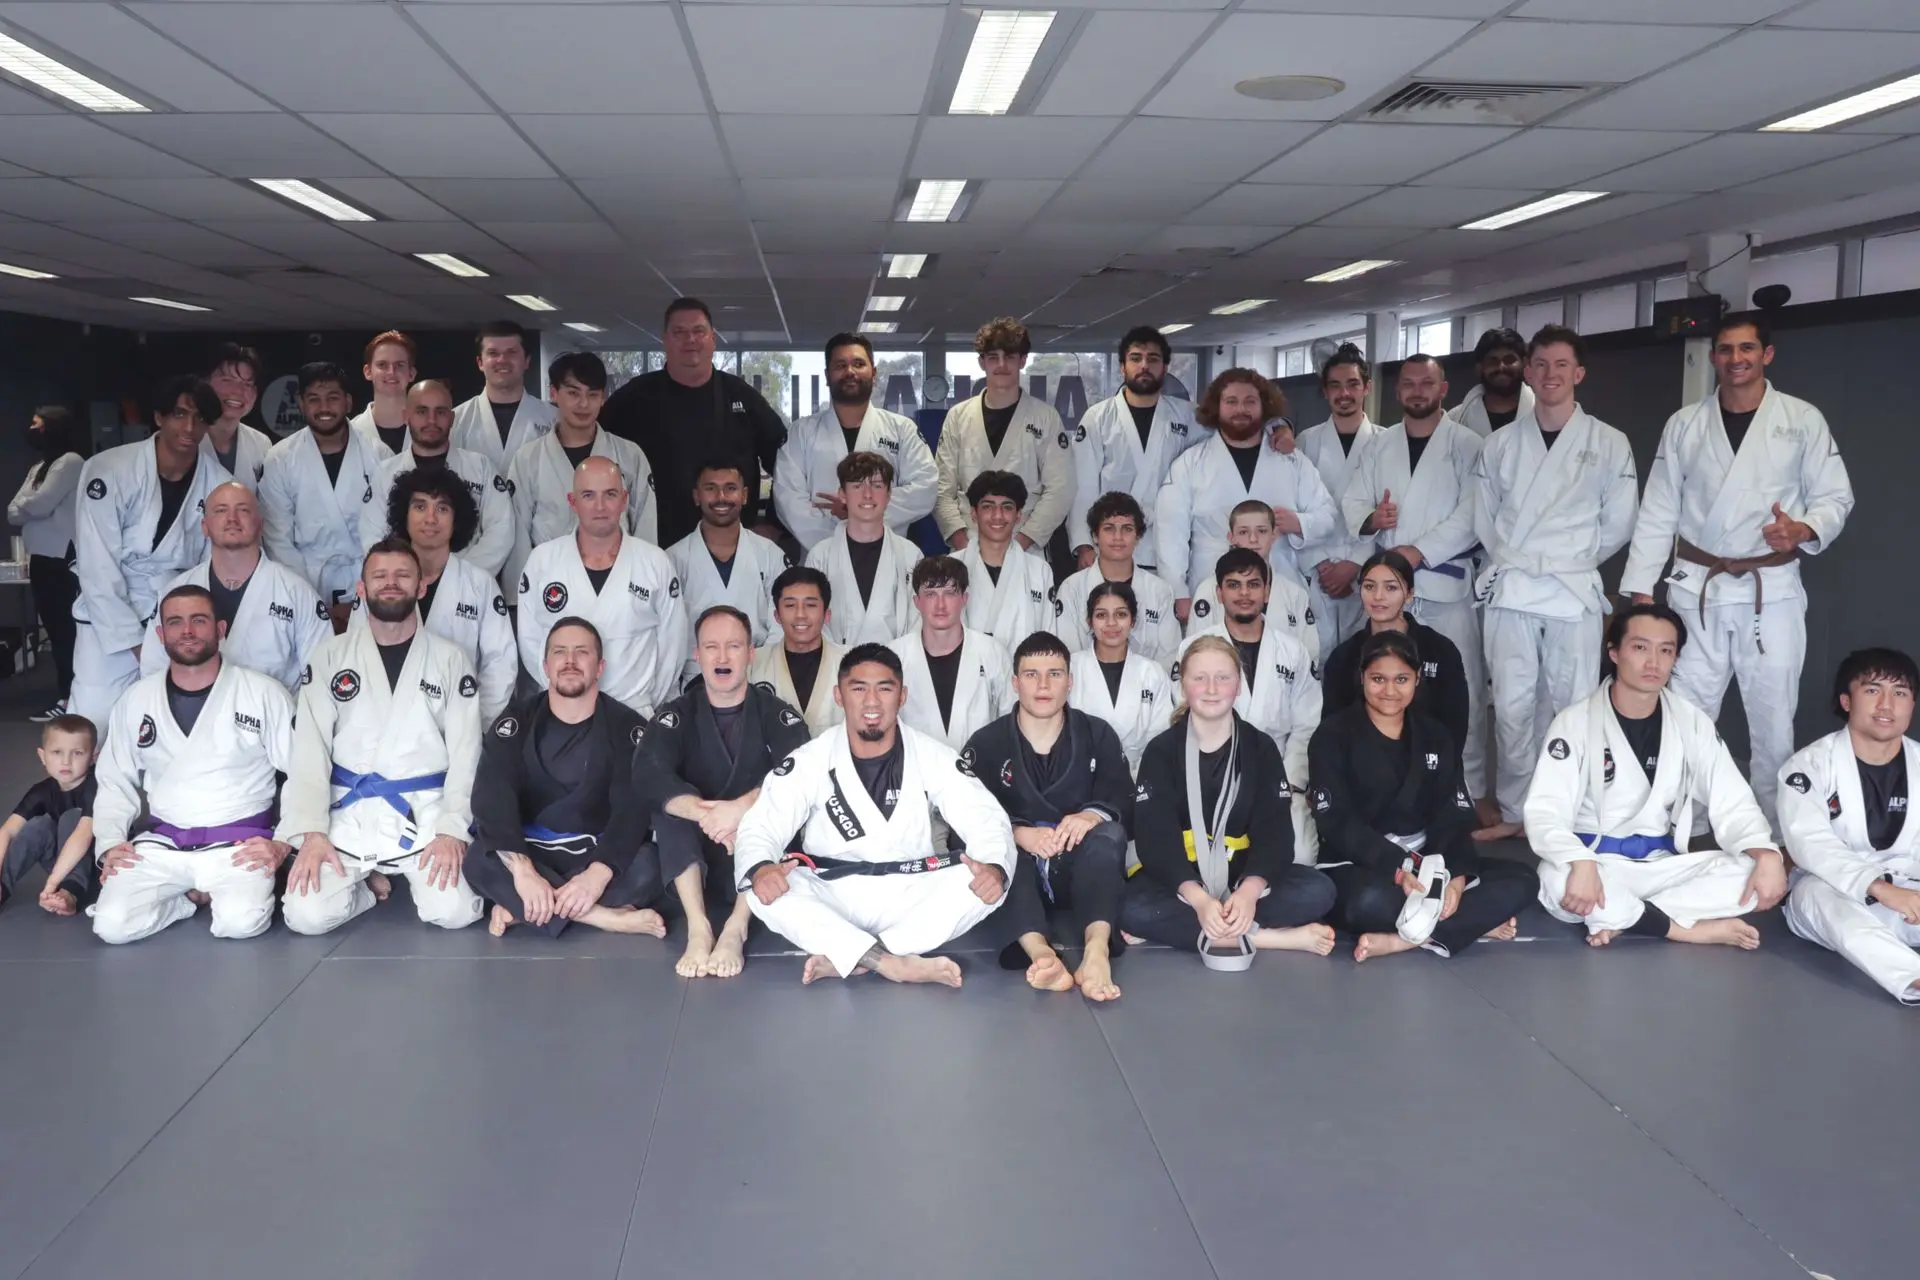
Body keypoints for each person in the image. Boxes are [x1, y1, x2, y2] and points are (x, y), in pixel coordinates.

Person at [1622, 312, 1854, 830]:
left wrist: (1802, 530)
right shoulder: (1684, 424)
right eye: (1726, 350)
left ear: (1766, 355)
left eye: (1747, 348)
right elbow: (1658, 508)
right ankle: (1686, 820)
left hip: (1768, 589)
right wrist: (1642, 591)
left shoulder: (1801, 419)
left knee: (1772, 718)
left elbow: (1836, 496)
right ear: (1713, 358)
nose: (1736, 359)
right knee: (1688, 712)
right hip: (1695, 587)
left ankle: (1773, 828)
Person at [730, 643, 1015, 987]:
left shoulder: (930, 754)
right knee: (762, 891)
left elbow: (984, 815)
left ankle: (856, 957)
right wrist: (762, 868)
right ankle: (893, 963)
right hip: (832, 890)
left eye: (885, 688)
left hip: (911, 890)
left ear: (902, 695)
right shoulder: (812, 757)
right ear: (839, 695)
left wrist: (994, 866)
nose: (871, 702)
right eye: (858, 688)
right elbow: (761, 824)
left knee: (986, 882)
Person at [1525, 602, 1784, 949]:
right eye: (1640, 648)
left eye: (1666, 651)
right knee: (1554, 879)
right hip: (1596, 864)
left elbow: (1733, 801)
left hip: (1663, 867)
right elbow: (1545, 812)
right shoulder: (1574, 722)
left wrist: (1766, 854)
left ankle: (1626, 920)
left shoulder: (1692, 722)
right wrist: (1580, 861)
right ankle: (1683, 928)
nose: (1653, 662)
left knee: (1751, 872)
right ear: (1614, 653)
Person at [1473, 325, 1638, 840]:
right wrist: (1523, 557)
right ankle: (1518, 808)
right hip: (1515, 585)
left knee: (1572, 705)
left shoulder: (1609, 442)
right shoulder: (1500, 445)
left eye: (1561, 365)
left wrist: (1570, 557)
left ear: (1579, 374)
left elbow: (1620, 522)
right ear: (1528, 371)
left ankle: (1565, 809)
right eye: (1540, 364)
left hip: (1571, 586)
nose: (1550, 375)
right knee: (1514, 707)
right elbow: (1485, 519)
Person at [281, 541, 484, 934]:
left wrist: (452, 830)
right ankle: (366, 889)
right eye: (379, 576)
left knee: (456, 911)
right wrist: (312, 832)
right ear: (362, 589)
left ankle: (383, 875)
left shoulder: (449, 659)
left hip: (424, 817)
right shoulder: (330, 656)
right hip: (347, 816)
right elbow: (309, 749)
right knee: (307, 915)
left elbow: (467, 754)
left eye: (402, 575)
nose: (391, 584)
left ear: (420, 587)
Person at [1309, 630, 1536, 961]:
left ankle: (1406, 938)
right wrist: (1397, 869)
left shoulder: (1435, 735)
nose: (1389, 690)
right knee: (1367, 903)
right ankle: (1466, 923)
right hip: (1363, 864)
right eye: (1378, 679)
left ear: (1417, 679)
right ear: (1362, 678)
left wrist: (1456, 878)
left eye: (1401, 679)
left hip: (1430, 862)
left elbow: (1453, 815)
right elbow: (1336, 822)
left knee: (1524, 879)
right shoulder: (1333, 735)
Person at [90, 585, 296, 944]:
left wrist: (283, 842)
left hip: (241, 845)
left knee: (241, 923)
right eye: (175, 622)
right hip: (163, 844)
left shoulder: (263, 693)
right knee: (111, 926)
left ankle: (210, 895)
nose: (186, 631)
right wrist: (110, 842)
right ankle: (184, 902)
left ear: (220, 629)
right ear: (161, 635)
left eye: (198, 621)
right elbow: (113, 779)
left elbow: (303, 774)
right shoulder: (136, 700)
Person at [1122, 635, 1337, 962]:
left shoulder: (1261, 748)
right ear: (1184, 686)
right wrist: (1199, 899)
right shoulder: (1162, 751)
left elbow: (1276, 834)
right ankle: (1272, 938)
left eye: (1223, 678)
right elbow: (1155, 840)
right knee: (1129, 908)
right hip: (1182, 882)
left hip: (1242, 875)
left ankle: (1200, 930)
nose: (1211, 688)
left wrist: (1249, 892)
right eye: (1200, 678)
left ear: (1238, 686)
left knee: (1320, 891)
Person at [1344, 354, 1489, 806]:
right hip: (1389, 593)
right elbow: (1351, 501)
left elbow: (1474, 514)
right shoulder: (1378, 446)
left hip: (1444, 587)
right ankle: (1391, 787)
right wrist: (1371, 517)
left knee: (1458, 692)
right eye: (1408, 384)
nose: (1417, 391)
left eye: (1426, 383)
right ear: (1397, 391)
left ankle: (1468, 791)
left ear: (1443, 389)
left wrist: (1416, 552)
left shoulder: (1469, 444)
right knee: (1387, 687)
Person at [636, 607, 811, 978]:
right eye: (711, 647)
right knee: (671, 811)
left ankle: (736, 927)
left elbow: (800, 772)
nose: (722, 656)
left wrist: (742, 810)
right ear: (697, 655)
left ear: (751, 654)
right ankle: (698, 926)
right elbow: (647, 772)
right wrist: (707, 815)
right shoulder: (676, 715)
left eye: (734, 646)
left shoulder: (777, 714)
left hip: (756, 860)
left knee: (778, 811)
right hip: (695, 857)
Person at [467, 618, 668, 939]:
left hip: (594, 852)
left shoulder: (627, 727)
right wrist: (522, 872)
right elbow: (492, 798)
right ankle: (601, 917)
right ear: (546, 666)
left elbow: (632, 810)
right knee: (477, 858)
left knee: (650, 865)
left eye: (582, 652)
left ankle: (526, 910)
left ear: (600, 666)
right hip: (531, 851)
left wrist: (597, 876)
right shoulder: (514, 723)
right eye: (560, 652)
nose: (570, 661)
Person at [965, 631, 1131, 1000]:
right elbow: (964, 818)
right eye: (1031, 674)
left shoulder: (1097, 734)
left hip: (1080, 874)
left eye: (1055, 674)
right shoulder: (986, 743)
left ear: (1070, 682)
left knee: (1110, 836)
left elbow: (1123, 796)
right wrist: (1018, 833)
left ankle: (1096, 950)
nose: (1043, 685)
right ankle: (1041, 955)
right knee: (1002, 854)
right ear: (1014, 683)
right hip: (1024, 876)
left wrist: (1091, 816)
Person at [70, 376, 229, 727]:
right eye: (179, 414)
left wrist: (186, 626)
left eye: (199, 418)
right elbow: (97, 564)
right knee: (92, 723)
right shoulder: (108, 470)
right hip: (107, 618)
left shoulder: (218, 482)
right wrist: (134, 642)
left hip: (172, 615)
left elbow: (210, 564)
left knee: (170, 722)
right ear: (159, 417)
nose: (189, 427)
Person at [1778, 649, 1920, 1003]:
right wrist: (1876, 887)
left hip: (1910, 895)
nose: (1887, 705)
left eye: (1900, 693)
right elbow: (1809, 844)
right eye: (1873, 690)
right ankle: (1912, 976)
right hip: (1836, 893)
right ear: (1846, 700)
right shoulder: (1808, 766)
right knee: (1816, 896)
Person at [599, 298, 787, 547]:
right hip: (653, 544)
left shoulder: (741, 396)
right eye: (679, 332)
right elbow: (597, 459)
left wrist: (774, 522)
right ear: (665, 340)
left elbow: (786, 461)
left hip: (731, 545)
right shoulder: (633, 399)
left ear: (713, 339)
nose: (690, 340)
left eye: (699, 331)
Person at [1157, 368, 1336, 622]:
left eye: (1250, 401)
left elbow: (1328, 515)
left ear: (1265, 406)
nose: (1240, 409)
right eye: (1231, 402)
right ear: (1216, 407)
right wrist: (1177, 591)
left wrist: (1299, 523)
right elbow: (1170, 534)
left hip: (1278, 587)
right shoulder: (1189, 464)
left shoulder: (1292, 460)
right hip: (1211, 590)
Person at [517, 457, 686, 719]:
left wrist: (647, 701)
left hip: (635, 711)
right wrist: (564, 692)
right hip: (564, 710)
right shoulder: (543, 561)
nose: (600, 506)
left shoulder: (654, 563)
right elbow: (530, 640)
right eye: (588, 495)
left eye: (610, 494)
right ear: (572, 502)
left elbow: (672, 646)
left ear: (624, 499)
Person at [1181, 547, 1322, 859]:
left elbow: (1307, 723)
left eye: (1253, 584)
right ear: (1218, 593)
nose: (1244, 594)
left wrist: (1290, 781)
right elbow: (1180, 719)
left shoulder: (1293, 651)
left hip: (1280, 777)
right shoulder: (1192, 649)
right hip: (1212, 778)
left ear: (1267, 591)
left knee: (1298, 856)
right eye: (1233, 585)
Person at [142, 481, 330, 694]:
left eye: (243, 510)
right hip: (195, 720)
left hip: (275, 721)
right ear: (205, 526)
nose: (232, 519)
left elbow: (322, 676)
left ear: (260, 524)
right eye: (221, 511)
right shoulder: (176, 592)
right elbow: (153, 670)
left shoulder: (297, 593)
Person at [370, 467, 517, 720]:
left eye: (442, 508)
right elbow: (357, 653)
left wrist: (473, 724)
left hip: (460, 722)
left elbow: (500, 664)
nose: (430, 518)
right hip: (386, 726)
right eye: (419, 507)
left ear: (457, 519)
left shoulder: (480, 584)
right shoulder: (380, 582)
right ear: (403, 515)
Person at [774, 331, 937, 553]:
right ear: (827, 375)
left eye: (858, 363)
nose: (849, 371)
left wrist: (861, 511)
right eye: (840, 365)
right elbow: (788, 500)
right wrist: (834, 544)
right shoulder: (800, 433)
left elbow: (924, 488)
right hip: (822, 557)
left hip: (888, 555)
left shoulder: (902, 430)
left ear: (874, 373)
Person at [506, 351, 656, 590]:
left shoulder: (630, 455)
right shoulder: (528, 459)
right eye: (573, 393)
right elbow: (518, 534)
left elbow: (645, 525)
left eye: (593, 395)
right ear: (554, 394)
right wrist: (520, 594)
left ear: (603, 398)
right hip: (549, 583)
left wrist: (645, 583)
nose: (584, 404)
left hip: (619, 580)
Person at [259, 361, 393, 619]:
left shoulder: (378, 454)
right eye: (314, 399)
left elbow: (387, 529)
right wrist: (307, 597)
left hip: (367, 579)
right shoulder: (280, 459)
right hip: (305, 580)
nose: (324, 408)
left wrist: (370, 585)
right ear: (301, 403)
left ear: (348, 402)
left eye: (333, 398)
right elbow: (277, 539)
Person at [933, 317, 1074, 556]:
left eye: (1009, 356)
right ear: (982, 363)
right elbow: (941, 489)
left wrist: (1020, 544)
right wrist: (963, 544)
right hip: (968, 545)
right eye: (993, 357)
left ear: (1022, 360)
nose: (1001, 365)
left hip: (1024, 547)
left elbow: (1060, 490)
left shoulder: (1045, 418)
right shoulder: (958, 417)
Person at [1068, 326, 1200, 573]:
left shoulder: (1188, 415)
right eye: (1136, 358)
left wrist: (1278, 426)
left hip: (1168, 544)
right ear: (1122, 367)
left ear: (1165, 367)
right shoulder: (1098, 417)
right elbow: (1082, 487)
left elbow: (1237, 425)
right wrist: (1084, 544)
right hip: (1111, 544)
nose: (1144, 366)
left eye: (1153, 359)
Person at [1320, 553, 1469, 762]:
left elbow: (1455, 724)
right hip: (1361, 769)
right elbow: (1331, 729)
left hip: (1430, 769)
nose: (1378, 596)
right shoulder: (1344, 656)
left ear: (1409, 594)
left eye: (1391, 587)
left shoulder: (1439, 650)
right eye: (1370, 586)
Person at [360, 378, 514, 579]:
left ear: (451, 418)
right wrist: (406, 573)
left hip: (469, 584)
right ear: (406, 416)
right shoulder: (385, 472)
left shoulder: (480, 467)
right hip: (402, 583)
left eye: (440, 412)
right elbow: (372, 534)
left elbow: (501, 529)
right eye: (422, 412)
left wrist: (459, 576)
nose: (431, 420)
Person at [667, 459, 787, 683]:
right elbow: (667, 631)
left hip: (757, 673)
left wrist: (762, 666)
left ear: (744, 495)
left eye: (730, 488)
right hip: (695, 677)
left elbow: (782, 620)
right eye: (710, 488)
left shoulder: (769, 554)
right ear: (696, 496)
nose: (721, 497)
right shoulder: (672, 559)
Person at [1296, 344, 1383, 654]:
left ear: (1367, 387)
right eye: (1335, 385)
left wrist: (1354, 565)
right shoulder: (1306, 441)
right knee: (1314, 656)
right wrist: (1320, 564)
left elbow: (1387, 513)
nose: (1344, 393)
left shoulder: (1385, 442)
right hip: (1315, 569)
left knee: (1360, 658)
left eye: (1353, 384)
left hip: (1365, 571)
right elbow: (1297, 508)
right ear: (1324, 391)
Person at [892, 556, 1013, 751]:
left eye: (949, 593)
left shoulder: (992, 652)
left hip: (980, 774)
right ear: (917, 601)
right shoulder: (895, 656)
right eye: (930, 594)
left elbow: (1011, 722)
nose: (940, 605)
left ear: (964, 599)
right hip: (915, 775)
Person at [801, 452, 921, 647]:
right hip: (837, 669)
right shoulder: (820, 556)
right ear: (842, 494)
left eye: (877, 486)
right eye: (857, 486)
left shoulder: (910, 555)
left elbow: (918, 622)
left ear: (889, 494)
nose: (867, 494)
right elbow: (813, 622)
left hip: (897, 668)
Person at [11, 404, 84, 721]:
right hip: (41, 561)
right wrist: (28, 507)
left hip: (62, 562)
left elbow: (39, 504)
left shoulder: (70, 462)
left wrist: (27, 506)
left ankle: (71, 698)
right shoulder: (39, 466)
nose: (32, 428)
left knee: (68, 633)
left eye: (37, 423)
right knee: (56, 633)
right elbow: (11, 510)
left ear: (52, 427)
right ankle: (66, 694)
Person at [1183, 499, 1319, 662]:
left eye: (1261, 531)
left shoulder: (1295, 594)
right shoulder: (1208, 590)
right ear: (1231, 537)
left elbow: (1310, 656)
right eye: (1243, 532)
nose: (1253, 539)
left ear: (1274, 535)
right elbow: (1194, 653)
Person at [1054, 491, 1182, 664]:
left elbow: (1169, 657)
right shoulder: (1072, 588)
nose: (1118, 537)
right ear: (1094, 536)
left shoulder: (1159, 591)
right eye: (1109, 528)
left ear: (1138, 537)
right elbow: (1066, 655)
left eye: (1127, 529)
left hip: (1147, 688)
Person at [1067, 581, 1173, 775]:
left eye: (1121, 614)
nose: (1111, 623)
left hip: (1138, 777)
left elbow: (1161, 738)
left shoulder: (1152, 673)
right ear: (1089, 621)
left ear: (1133, 621)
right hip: (1079, 777)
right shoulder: (1070, 668)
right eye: (1101, 615)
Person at [0, 714, 97, 915]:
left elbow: (83, 836)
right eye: (56, 752)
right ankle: (2, 888)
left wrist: (51, 885)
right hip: (62, 865)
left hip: (97, 869)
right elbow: (7, 831)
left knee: (71, 817)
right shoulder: (41, 791)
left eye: (77, 753)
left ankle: (72, 892)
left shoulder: (97, 786)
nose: (66, 761)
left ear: (93, 757)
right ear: (43, 756)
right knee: (37, 825)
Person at [956, 470, 1056, 647]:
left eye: (1007, 507)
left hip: (1025, 672)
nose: (997, 515)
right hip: (968, 672)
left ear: (1018, 515)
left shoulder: (1039, 570)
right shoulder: (952, 567)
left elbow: (1048, 638)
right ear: (973, 514)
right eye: (988, 506)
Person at [449, 320, 557, 473]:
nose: (502, 360)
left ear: (527, 361)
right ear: (480, 362)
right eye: (493, 353)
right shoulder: (456, 420)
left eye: (511, 352)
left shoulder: (553, 419)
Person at [749, 566, 845, 736]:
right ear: (777, 615)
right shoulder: (753, 663)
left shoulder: (849, 663)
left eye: (810, 605)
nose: (800, 614)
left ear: (827, 615)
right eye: (790, 605)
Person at [203, 343, 272, 484]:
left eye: (247, 384)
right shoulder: (185, 438)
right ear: (205, 383)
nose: (238, 391)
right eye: (227, 381)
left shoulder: (261, 444)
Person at [1448, 327, 1533, 439]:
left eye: (1509, 360)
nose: (1501, 367)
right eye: (1492, 361)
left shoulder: (1543, 413)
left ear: (1524, 363)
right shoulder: (1454, 419)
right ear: (1479, 368)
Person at [348, 330, 417, 455]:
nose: (391, 372)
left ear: (411, 373)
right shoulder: (350, 433)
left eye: (400, 365)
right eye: (382, 365)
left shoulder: (432, 429)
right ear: (368, 372)